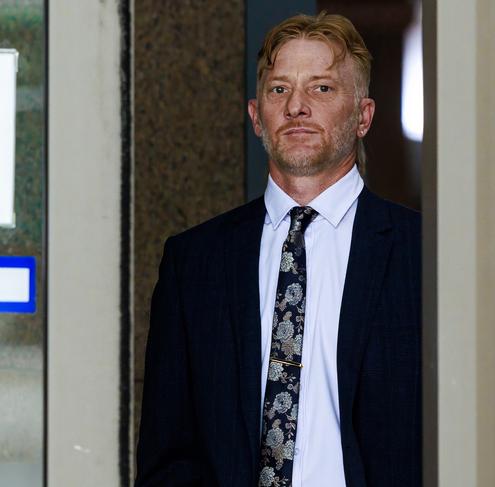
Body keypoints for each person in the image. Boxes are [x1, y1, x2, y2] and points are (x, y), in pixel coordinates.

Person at [135, 12, 421, 487]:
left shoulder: (422, 255)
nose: (297, 107)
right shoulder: (194, 262)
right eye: (279, 89)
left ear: (364, 116)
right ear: (255, 117)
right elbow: (168, 450)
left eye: (322, 89)